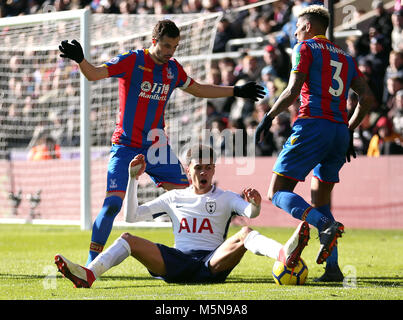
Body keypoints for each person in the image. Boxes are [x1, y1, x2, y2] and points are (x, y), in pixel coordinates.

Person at [59, 19, 265, 266]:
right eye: (166, 46)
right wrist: (81, 60)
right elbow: (93, 74)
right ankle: (92, 264)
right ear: (154, 41)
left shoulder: (173, 70)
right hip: (125, 145)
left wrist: (236, 91)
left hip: (157, 148)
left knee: (189, 196)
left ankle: (197, 254)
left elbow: (198, 89)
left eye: (175, 47)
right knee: (113, 204)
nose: (170, 52)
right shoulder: (132, 60)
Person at [54, 145, 310, 287]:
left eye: (209, 167)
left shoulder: (226, 196)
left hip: (213, 263)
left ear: (214, 169)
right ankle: (88, 274)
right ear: (189, 171)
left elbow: (249, 213)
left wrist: (254, 204)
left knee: (245, 233)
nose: (204, 172)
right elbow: (132, 215)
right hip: (176, 262)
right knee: (128, 238)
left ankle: (285, 255)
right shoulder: (173, 197)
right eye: (199, 167)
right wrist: (133, 179)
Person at [254, 5, 375, 282]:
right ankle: (332, 269)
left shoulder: (305, 48)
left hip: (312, 125)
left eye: (297, 27)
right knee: (321, 198)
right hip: (338, 131)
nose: (295, 33)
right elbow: (367, 98)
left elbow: (293, 89)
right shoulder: (345, 57)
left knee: (277, 192)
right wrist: (348, 130)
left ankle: (324, 225)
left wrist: (269, 116)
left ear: (307, 26)